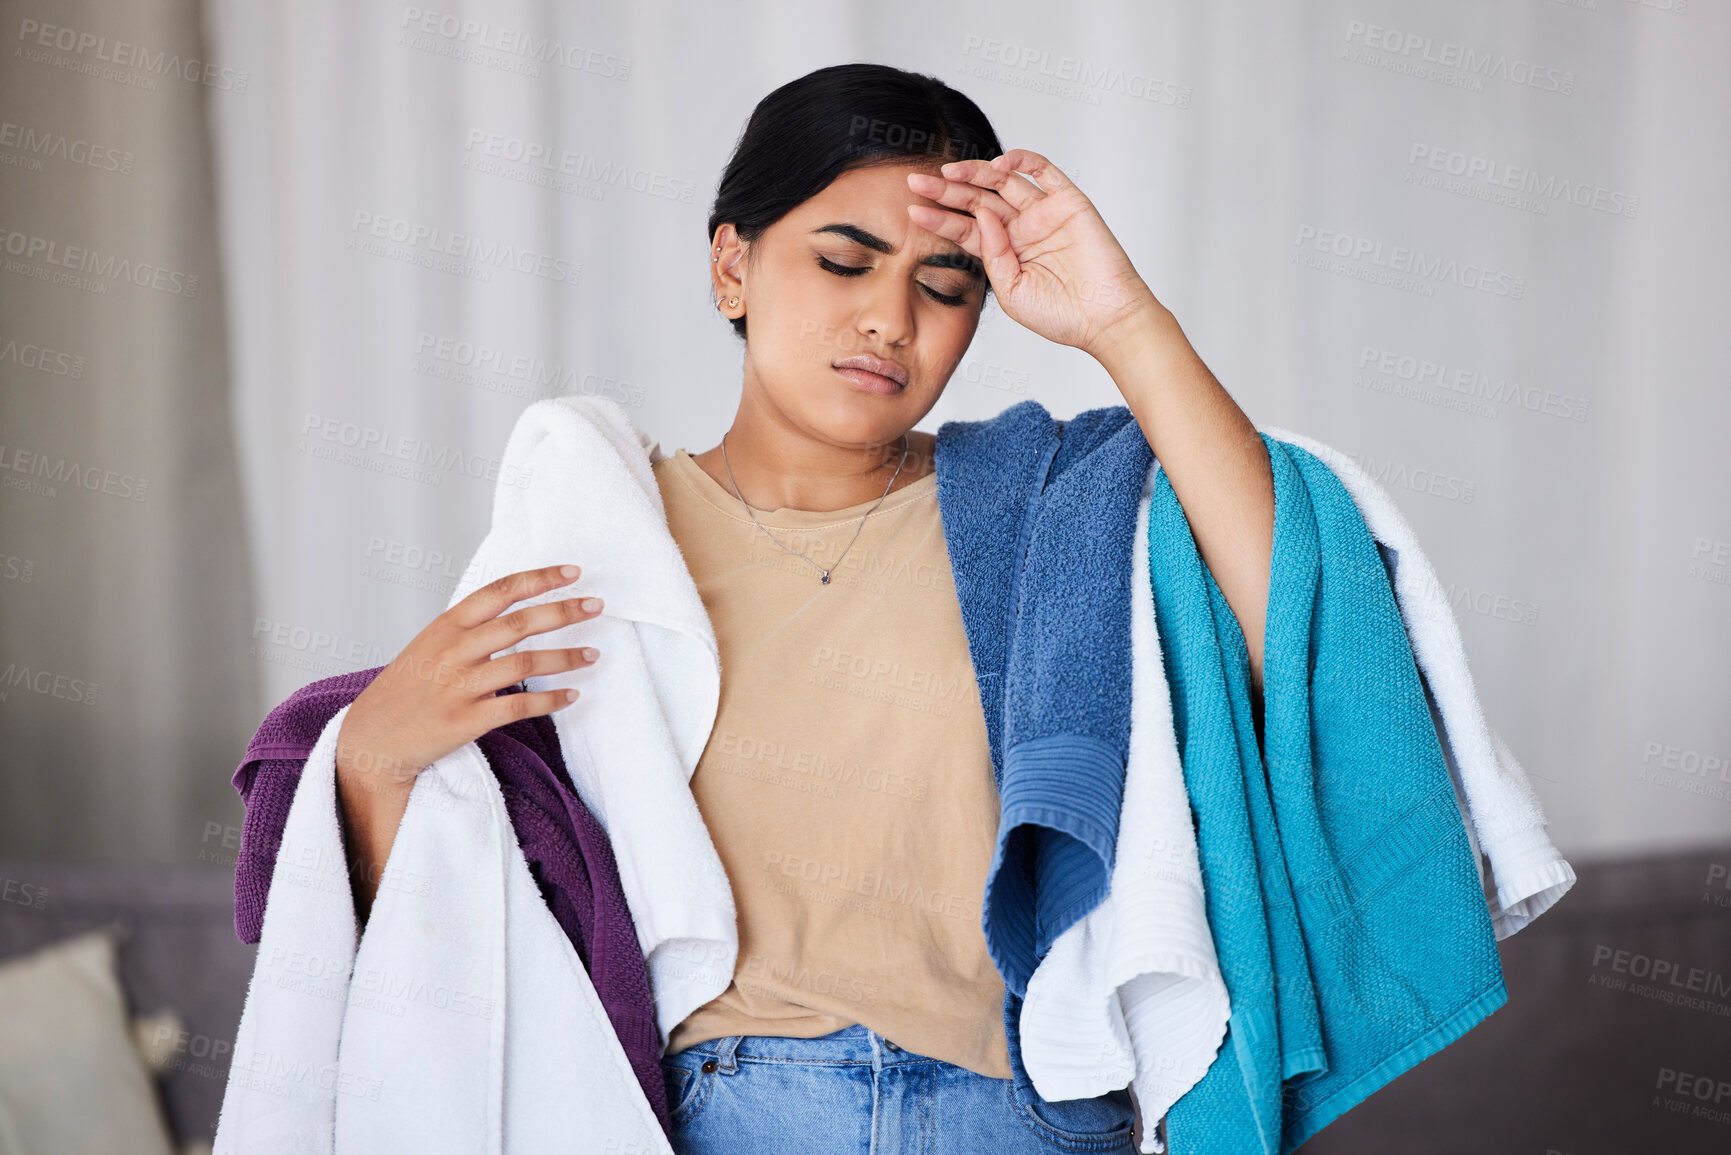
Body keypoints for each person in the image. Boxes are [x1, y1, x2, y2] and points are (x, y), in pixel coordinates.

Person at [326, 62, 1274, 1154]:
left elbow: (1286, 620)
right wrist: (374, 762)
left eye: (947, 285)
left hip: (1025, 1115)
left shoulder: (1051, 510)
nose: (888, 319)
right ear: (733, 265)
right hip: (733, 1111)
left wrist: (1121, 320)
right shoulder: (602, 542)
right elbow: (474, 917)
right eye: (842, 262)